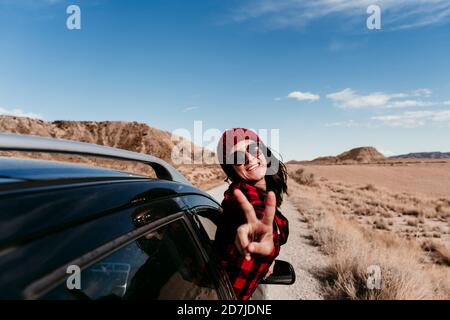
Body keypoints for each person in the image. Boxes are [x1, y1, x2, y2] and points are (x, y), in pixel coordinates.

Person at [215, 128, 289, 300]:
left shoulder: (265, 192)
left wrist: (269, 260)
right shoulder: (241, 193)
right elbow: (255, 211)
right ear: (231, 168)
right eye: (238, 158)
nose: (249, 159)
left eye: (253, 149)